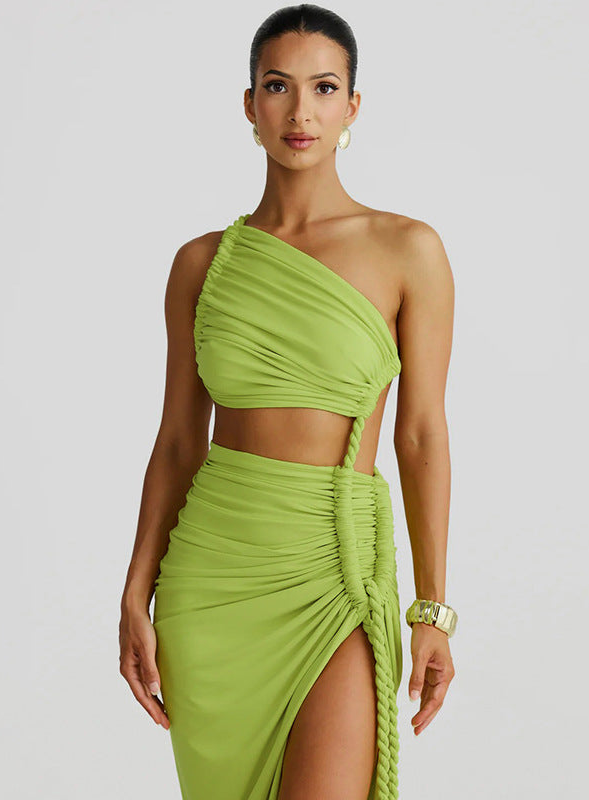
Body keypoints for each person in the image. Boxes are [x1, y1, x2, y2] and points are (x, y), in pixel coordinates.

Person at [118, 5, 457, 799]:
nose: (301, 111)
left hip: (337, 569)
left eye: (324, 87)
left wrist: (432, 609)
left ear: (352, 106)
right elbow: (178, 442)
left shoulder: (407, 250)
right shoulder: (201, 264)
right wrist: (136, 591)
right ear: (250, 104)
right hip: (212, 578)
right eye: (278, 86)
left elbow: (420, 436)